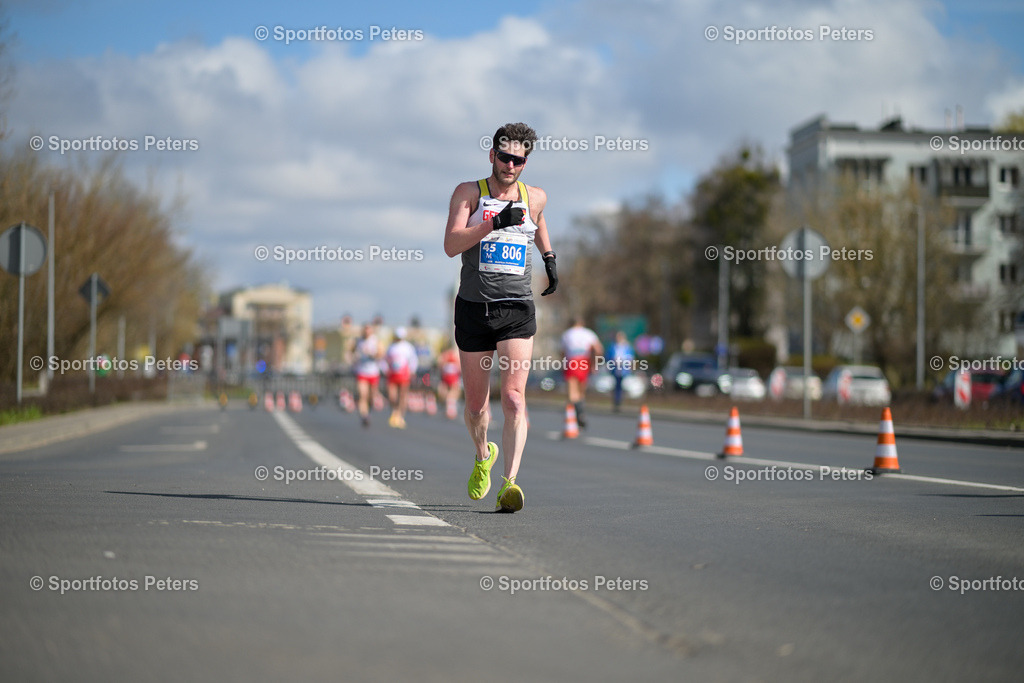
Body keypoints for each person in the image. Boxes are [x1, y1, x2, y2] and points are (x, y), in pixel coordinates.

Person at [443, 122, 557, 513]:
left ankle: (510, 482)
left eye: (519, 160)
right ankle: (482, 455)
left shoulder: (536, 196)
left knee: (513, 399)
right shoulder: (469, 193)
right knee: (476, 408)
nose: (511, 165)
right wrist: (493, 222)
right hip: (474, 309)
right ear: (491, 155)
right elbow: (451, 244)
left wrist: (549, 257)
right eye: (505, 157)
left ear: (526, 162)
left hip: (516, 309)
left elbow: (537, 219)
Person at [561, 317, 603, 428]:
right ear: (582, 323)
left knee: (572, 392)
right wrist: (594, 364)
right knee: (581, 391)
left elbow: (563, 352)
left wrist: (562, 365)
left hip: (572, 362)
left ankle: (577, 414)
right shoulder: (589, 333)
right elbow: (598, 349)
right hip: (584, 362)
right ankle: (581, 413)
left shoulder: (567, 334)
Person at [385, 327, 419, 429]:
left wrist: (412, 370)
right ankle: (395, 411)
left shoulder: (408, 347)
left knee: (403, 395)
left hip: (404, 374)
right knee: (392, 396)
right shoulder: (391, 347)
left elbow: (413, 359)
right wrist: (385, 369)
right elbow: (385, 360)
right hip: (392, 374)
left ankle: (400, 416)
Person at [351, 324, 383, 427]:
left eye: (369, 330)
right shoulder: (358, 341)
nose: (367, 332)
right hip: (362, 372)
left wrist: (371, 354)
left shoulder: (375, 341)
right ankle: (364, 416)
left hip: (373, 372)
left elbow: (381, 354)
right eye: (365, 330)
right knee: (362, 394)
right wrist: (353, 356)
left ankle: (368, 410)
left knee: (371, 396)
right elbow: (351, 351)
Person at [607, 330, 635, 412]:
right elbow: (608, 356)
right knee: (616, 385)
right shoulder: (613, 346)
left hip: (624, 369)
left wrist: (627, 363)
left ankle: (620, 401)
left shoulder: (627, 347)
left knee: (622, 386)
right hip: (615, 368)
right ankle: (616, 402)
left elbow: (630, 357)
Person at [436, 344, 462, 419]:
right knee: (454, 390)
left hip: (447, 375)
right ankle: (450, 406)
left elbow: (439, 365)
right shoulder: (454, 354)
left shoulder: (444, 355)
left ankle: (449, 406)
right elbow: (459, 366)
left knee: (448, 390)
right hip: (452, 375)